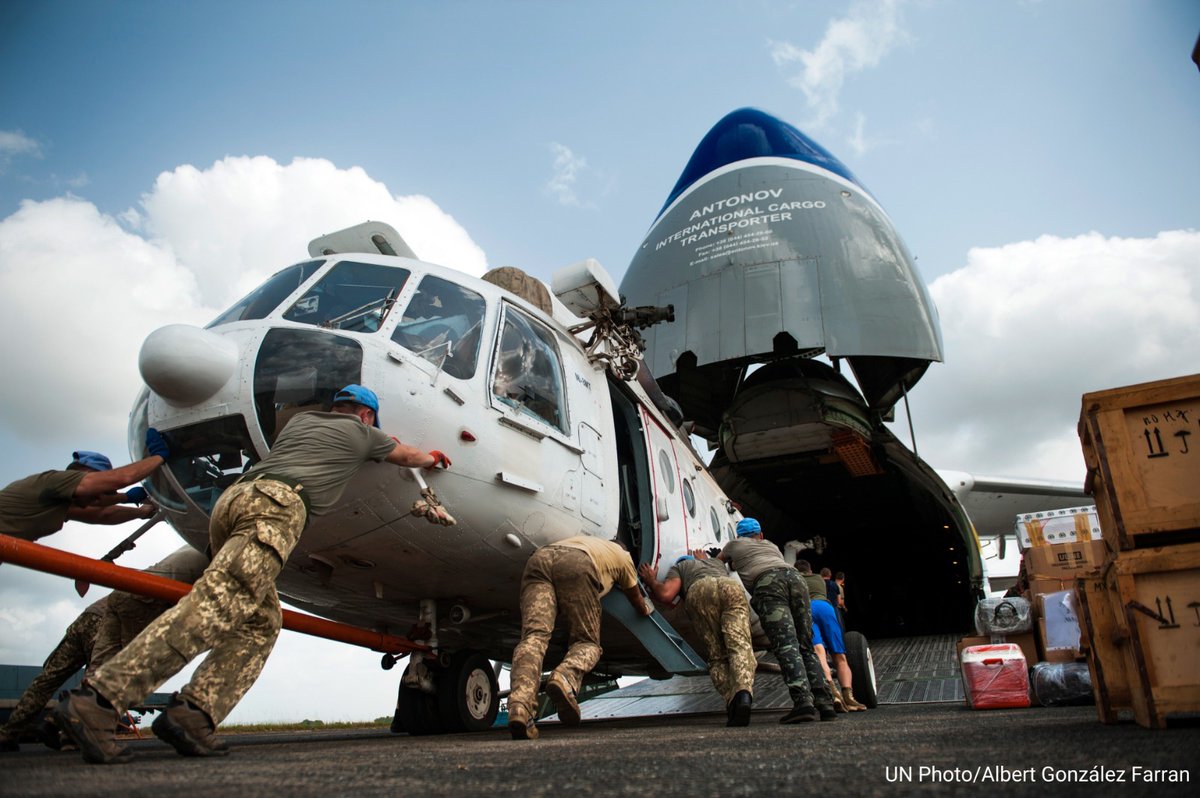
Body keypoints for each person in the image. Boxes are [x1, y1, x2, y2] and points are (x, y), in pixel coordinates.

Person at [55, 384, 452, 764]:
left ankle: (194, 714)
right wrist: (431, 457)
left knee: (261, 622)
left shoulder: (299, 424)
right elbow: (407, 456)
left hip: (233, 503)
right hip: (276, 508)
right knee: (214, 606)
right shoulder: (364, 434)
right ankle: (100, 701)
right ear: (367, 415)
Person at [0, 545, 210, 753]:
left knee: (49, 679)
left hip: (95, 611)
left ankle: (10, 732)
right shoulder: (218, 554)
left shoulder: (185, 550)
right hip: (128, 608)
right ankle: (69, 734)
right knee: (114, 675)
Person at [507, 535, 652, 740]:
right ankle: (564, 678)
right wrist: (646, 609)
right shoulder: (623, 555)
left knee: (534, 637)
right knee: (587, 642)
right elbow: (636, 597)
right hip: (577, 563)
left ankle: (520, 707)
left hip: (539, 560)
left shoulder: (583, 540)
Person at [717, 518, 835, 724]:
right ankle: (825, 704)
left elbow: (720, 561)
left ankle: (803, 703)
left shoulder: (733, 545)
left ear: (738, 536)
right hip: (796, 580)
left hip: (769, 585)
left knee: (786, 645)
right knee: (806, 645)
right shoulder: (770, 545)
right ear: (760, 535)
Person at [639, 552, 755, 726]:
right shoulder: (714, 563)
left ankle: (732, 699)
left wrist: (652, 581)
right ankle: (744, 693)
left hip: (700, 590)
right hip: (730, 588)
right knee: (740, 646)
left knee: (717, 655)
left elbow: (666, 595)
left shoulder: (680, 567)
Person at [0, 447, 163, 542]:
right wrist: (159, 456)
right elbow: (122, 478)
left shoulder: (57, 504)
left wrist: (136, 507)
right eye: (102, 489)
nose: (99, 498)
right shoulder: (55, 480)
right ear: (86, 473)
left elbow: (101, 514)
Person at [796, 560, 866, 712]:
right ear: (810, 570)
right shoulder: (819, 579)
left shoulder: (795, 579)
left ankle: (833, 693)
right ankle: (849, 696)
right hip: (826, 608)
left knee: (819, 653)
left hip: (807, 609)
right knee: (840, 656)